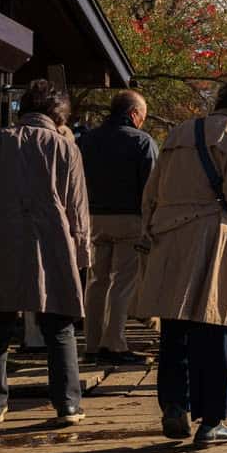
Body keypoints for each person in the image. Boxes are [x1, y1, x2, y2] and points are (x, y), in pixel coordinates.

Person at [137, 76, 227, 446]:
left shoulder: (180, 132)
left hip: (169, 233)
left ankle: (174, 405)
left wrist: (153, 228)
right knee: (220, 327)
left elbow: (152, 189)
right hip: (214, 234)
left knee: (175, 326)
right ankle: (212, 422)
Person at [0, 80, 90, 426]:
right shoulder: (65, 148)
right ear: (58, 113)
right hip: (51, 240)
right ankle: (67, 404)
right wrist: (82, 256)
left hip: (1, 239)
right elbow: (77, 209)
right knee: (59, 324)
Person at [79, 90, 158, 364]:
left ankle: (91, 342)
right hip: (130, 219)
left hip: (93, 218)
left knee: (96, 280)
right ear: (134, 114)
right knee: (122, 283)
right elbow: (152, 187)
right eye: (143, 117)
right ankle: (114, 343)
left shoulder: (86, 140)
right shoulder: (142, 142)